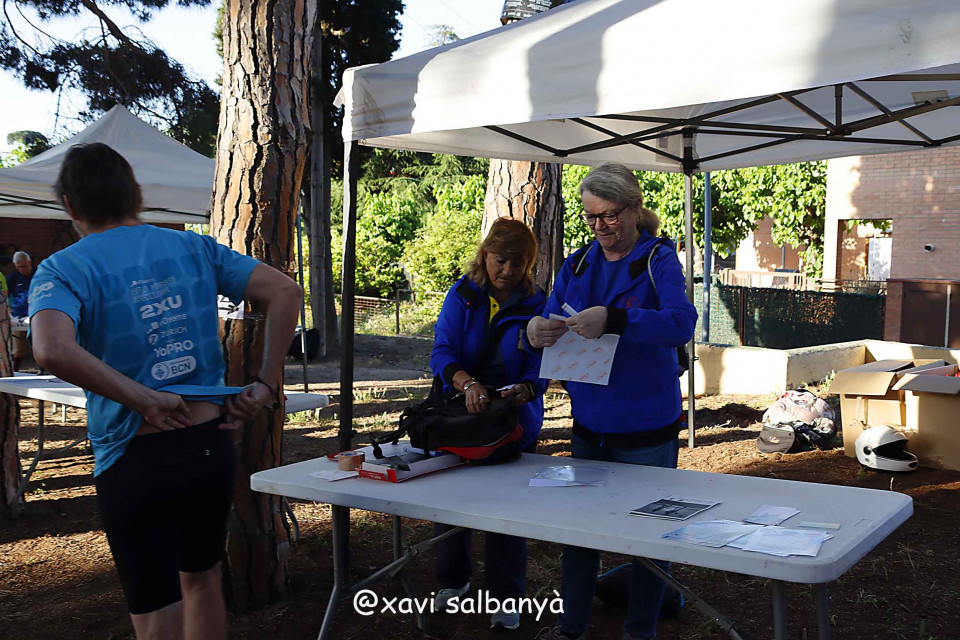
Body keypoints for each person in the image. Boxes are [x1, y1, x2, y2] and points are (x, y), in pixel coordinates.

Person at [28, 143, 302, 640]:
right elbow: (286, 290)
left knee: (156, 609)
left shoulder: (62, 268)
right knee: (202, 579)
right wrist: (265, 382)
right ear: (136, 194)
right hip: (206, 446)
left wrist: (142, 399)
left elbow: (50, 349)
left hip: (132, 454)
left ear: (69, 205)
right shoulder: (193, 248)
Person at [527, 163, 697, 640]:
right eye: (590, 216)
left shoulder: (658, 259)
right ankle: (570, 628)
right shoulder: (578, 263)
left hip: (646, 429)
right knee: (580, 533)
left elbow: (681, 323)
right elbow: (549, 318)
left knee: (649, 536)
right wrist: (534, 331)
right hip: (590, 426)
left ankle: (640, 631)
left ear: (634, 208)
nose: (600, 226)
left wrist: (616, 319)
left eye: (610, 215)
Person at [429, 217, 548, 630]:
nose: (508, 271)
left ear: (529, 263)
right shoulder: (462, 295)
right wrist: (467, 384)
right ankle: (453, 583)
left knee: (507, 511)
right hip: (459, 418)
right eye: (500, 260)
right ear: (485, 255)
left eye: (518, 263)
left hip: (512, 421)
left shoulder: (537, 303)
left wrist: (528, 388)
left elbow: (543, 363)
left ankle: (507, 598)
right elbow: (442, 352)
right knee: (451, 504)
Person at [8, 251, 33, 370]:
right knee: (18, 347)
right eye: (18, 267)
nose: (21, 270)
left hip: (35, 314)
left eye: (24, 266)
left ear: (29, 263)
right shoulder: (13, 278)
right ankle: (15, 370)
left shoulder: (38, 275)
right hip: (19, 315)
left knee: (38, 344)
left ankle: (43, 369)